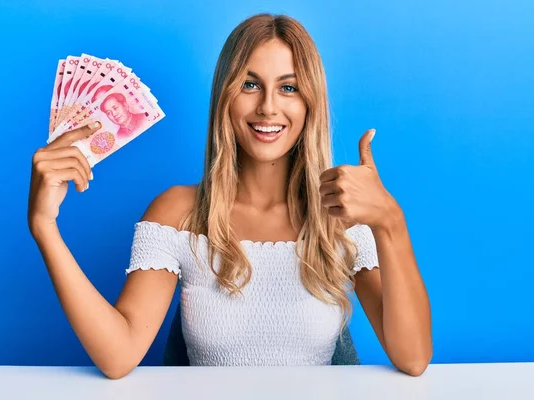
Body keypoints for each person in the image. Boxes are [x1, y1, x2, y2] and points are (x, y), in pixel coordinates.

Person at [27, 14, 432, 379]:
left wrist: (388, 220)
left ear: (311, 104)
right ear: (225, 96)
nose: (268, 107)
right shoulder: (178, 212)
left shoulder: (342, 215)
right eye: (250, 84)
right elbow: (118, 356)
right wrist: (45, 228)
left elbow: (413, 358)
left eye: (288, 87)